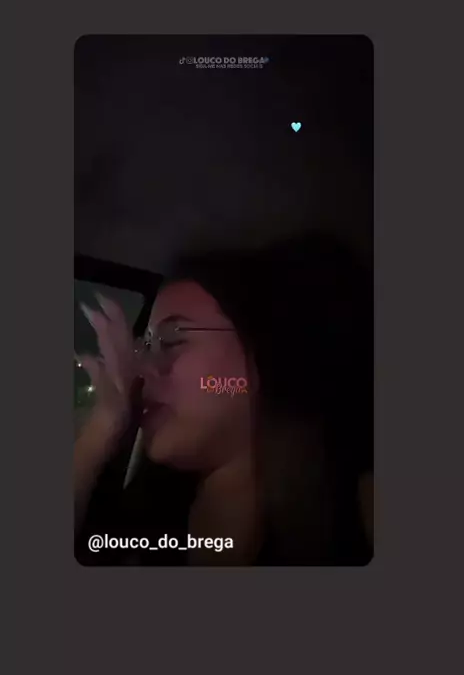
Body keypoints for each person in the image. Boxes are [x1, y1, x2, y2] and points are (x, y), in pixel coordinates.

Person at [74, 233, 373, 566]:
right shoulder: (141, 507)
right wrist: (101, 427)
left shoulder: (360, 517)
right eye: (145, 346)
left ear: (266, 355)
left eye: (171, 341)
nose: (140, 369)